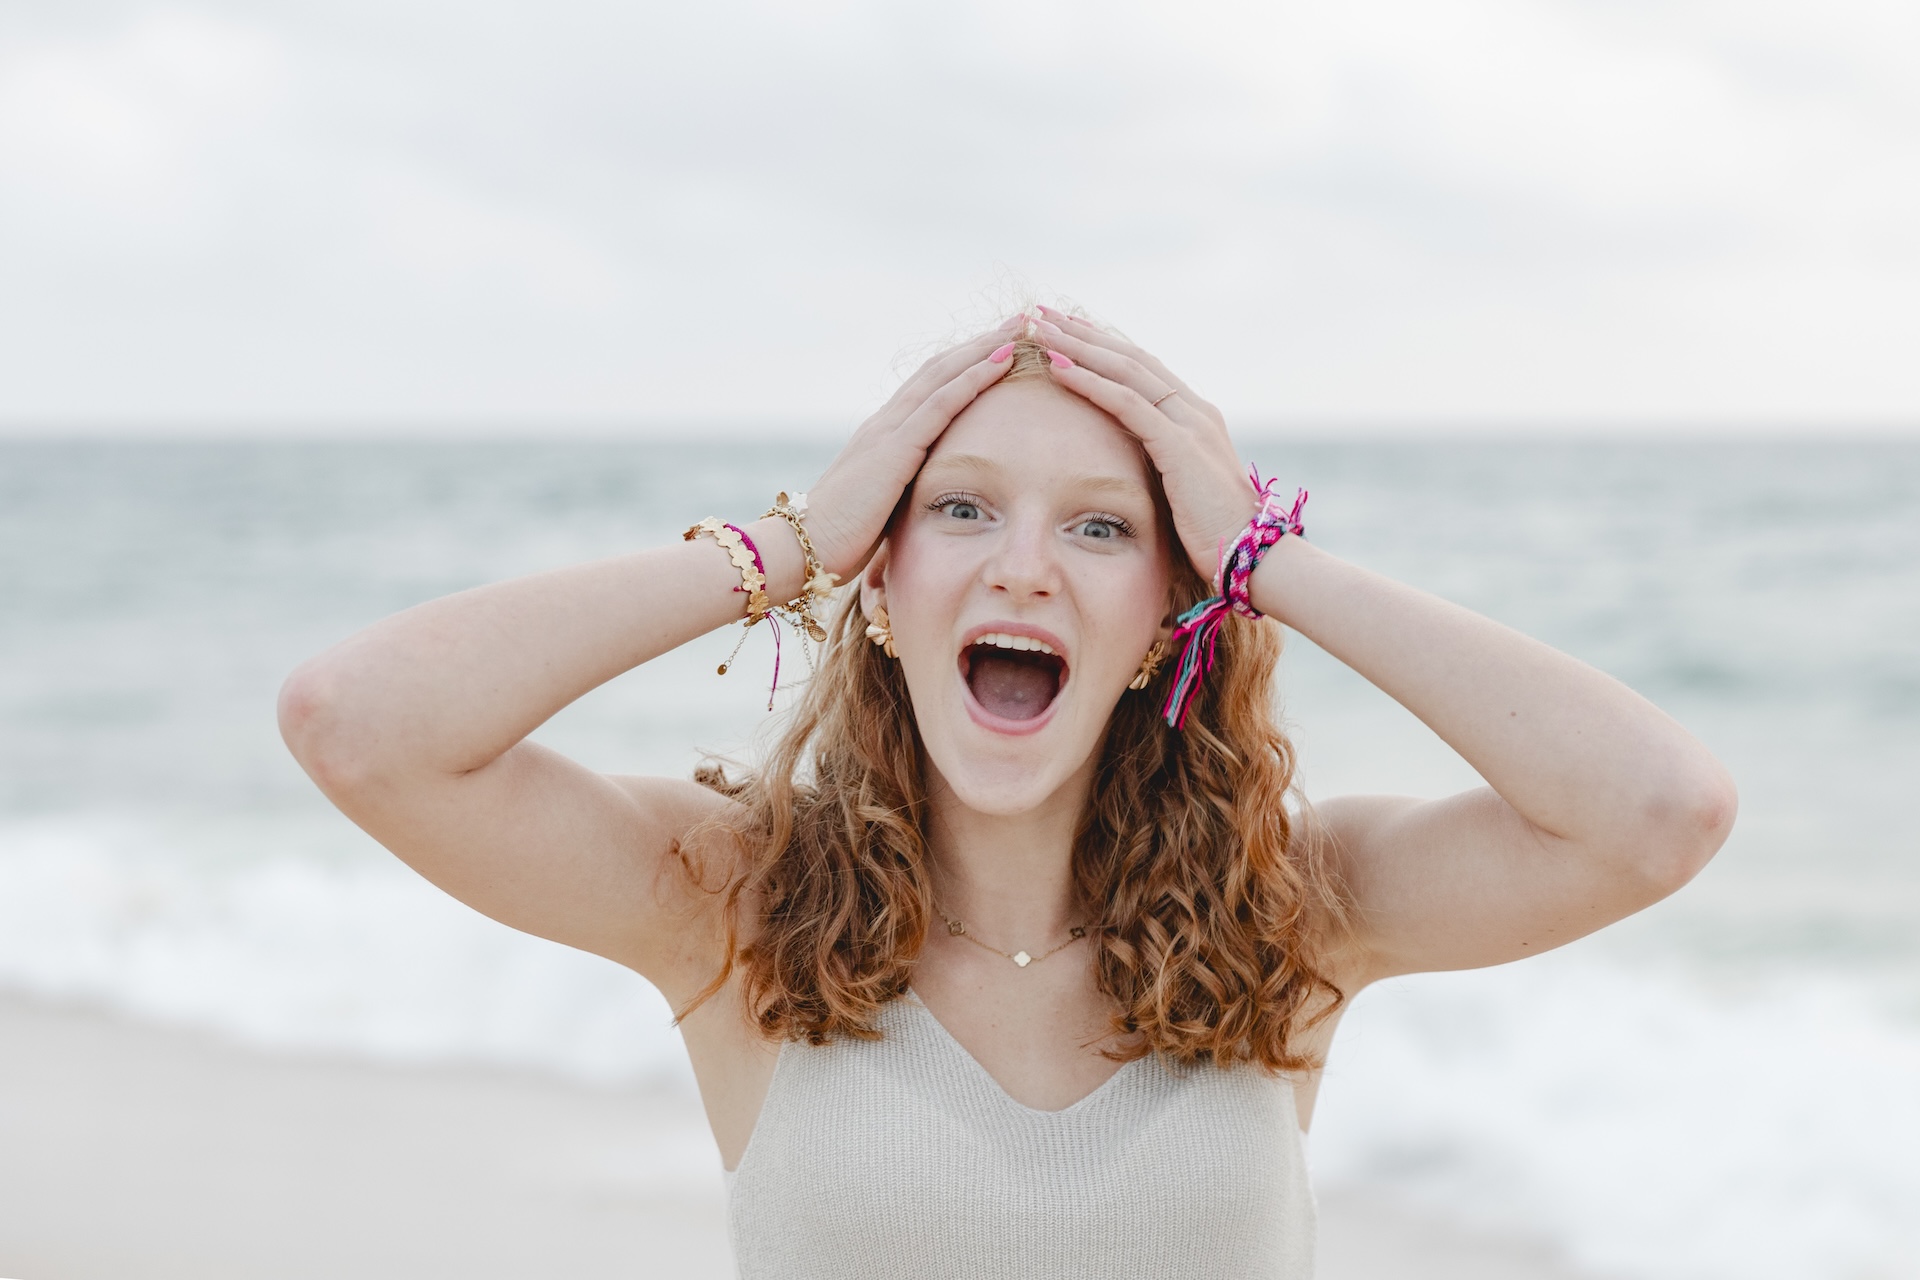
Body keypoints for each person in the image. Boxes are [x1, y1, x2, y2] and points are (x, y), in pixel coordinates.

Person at [278, 307, 1737, 1278]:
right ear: (885, 584)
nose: (1023, 566)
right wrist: (793, 546)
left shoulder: (1291, 912)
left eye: (1100, 528)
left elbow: (1659, 811)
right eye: (961, 508)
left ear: (1166, 615)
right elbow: (358, 724)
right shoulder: (737, 906)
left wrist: (1264, 561)